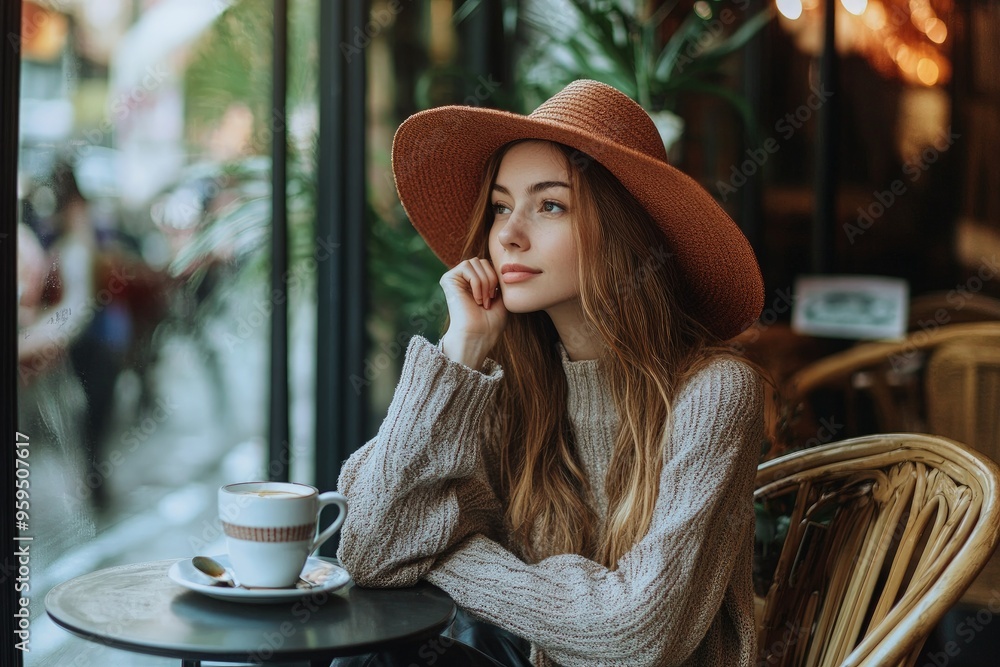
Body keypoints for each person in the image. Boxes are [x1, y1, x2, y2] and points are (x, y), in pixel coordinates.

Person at [335, 79, 766, 667]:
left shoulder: (713, 392)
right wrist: (460, 351)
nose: (509, 233)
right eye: (501, 206)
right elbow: (370, 545)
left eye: (550, 205)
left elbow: (637, 632)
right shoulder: (510, 389)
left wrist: (441, 549)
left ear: (620, 232)